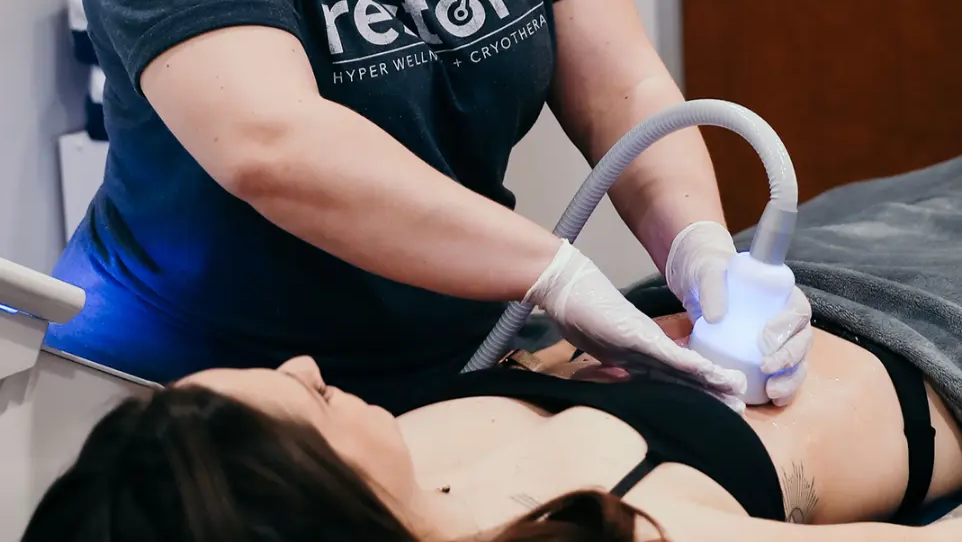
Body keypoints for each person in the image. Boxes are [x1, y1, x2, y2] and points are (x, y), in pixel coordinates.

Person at [46, 0, 812, 412]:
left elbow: (623, 86)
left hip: (455, 355)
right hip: (192, 384)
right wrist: (555, 274)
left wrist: (698, 251)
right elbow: (274, 146)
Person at [22, 309, 962, 542]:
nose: (309, 367)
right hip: (926, 343)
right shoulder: (613, 529)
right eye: (303, 400)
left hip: (761, 292)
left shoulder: (386, 459)